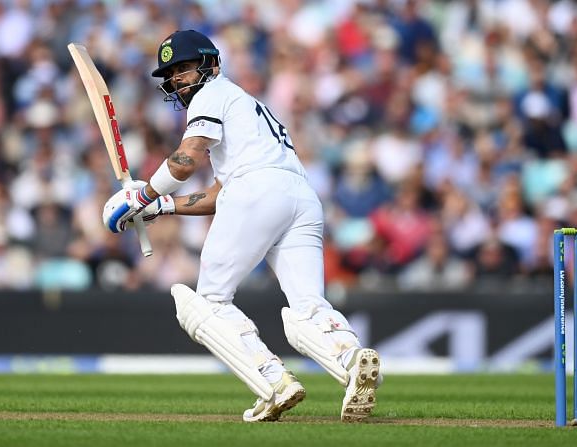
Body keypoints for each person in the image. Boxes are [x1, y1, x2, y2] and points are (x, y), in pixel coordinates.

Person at [102, 30, 382, 422]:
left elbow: (187, 160)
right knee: (306, 308)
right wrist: (161, 206)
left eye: (183, 68)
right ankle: (353, 360)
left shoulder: (212, 94)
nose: (177, 79)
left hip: (257, 192)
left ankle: (273, 382)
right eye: (171, 73)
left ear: (210, 64)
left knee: (207, 304)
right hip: (300, 197)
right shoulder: (245, 104)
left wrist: (143, 195)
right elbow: (219, 193)